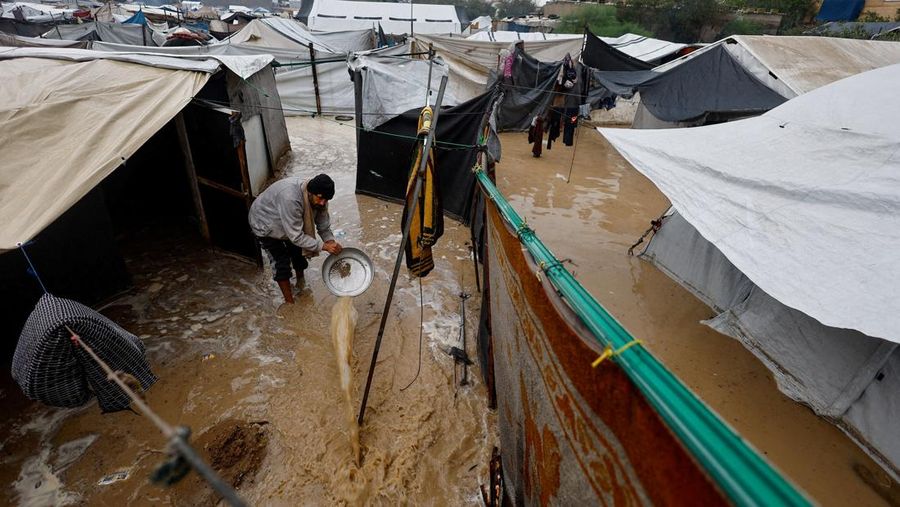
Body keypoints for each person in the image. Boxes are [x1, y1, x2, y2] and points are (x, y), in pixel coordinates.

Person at [248, 173, 343, 304]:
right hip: (265, 222)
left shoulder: (321, 199)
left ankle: (300, 283)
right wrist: (323, 246)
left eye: (326, 200)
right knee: (281, 263)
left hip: (288, 220)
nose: (323, 203)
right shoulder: (291, 198)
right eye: (320, 198)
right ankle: (290, 303)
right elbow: (296, 236)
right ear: (310, 192)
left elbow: (323, 225)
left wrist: (330, 242)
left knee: (298, 254)